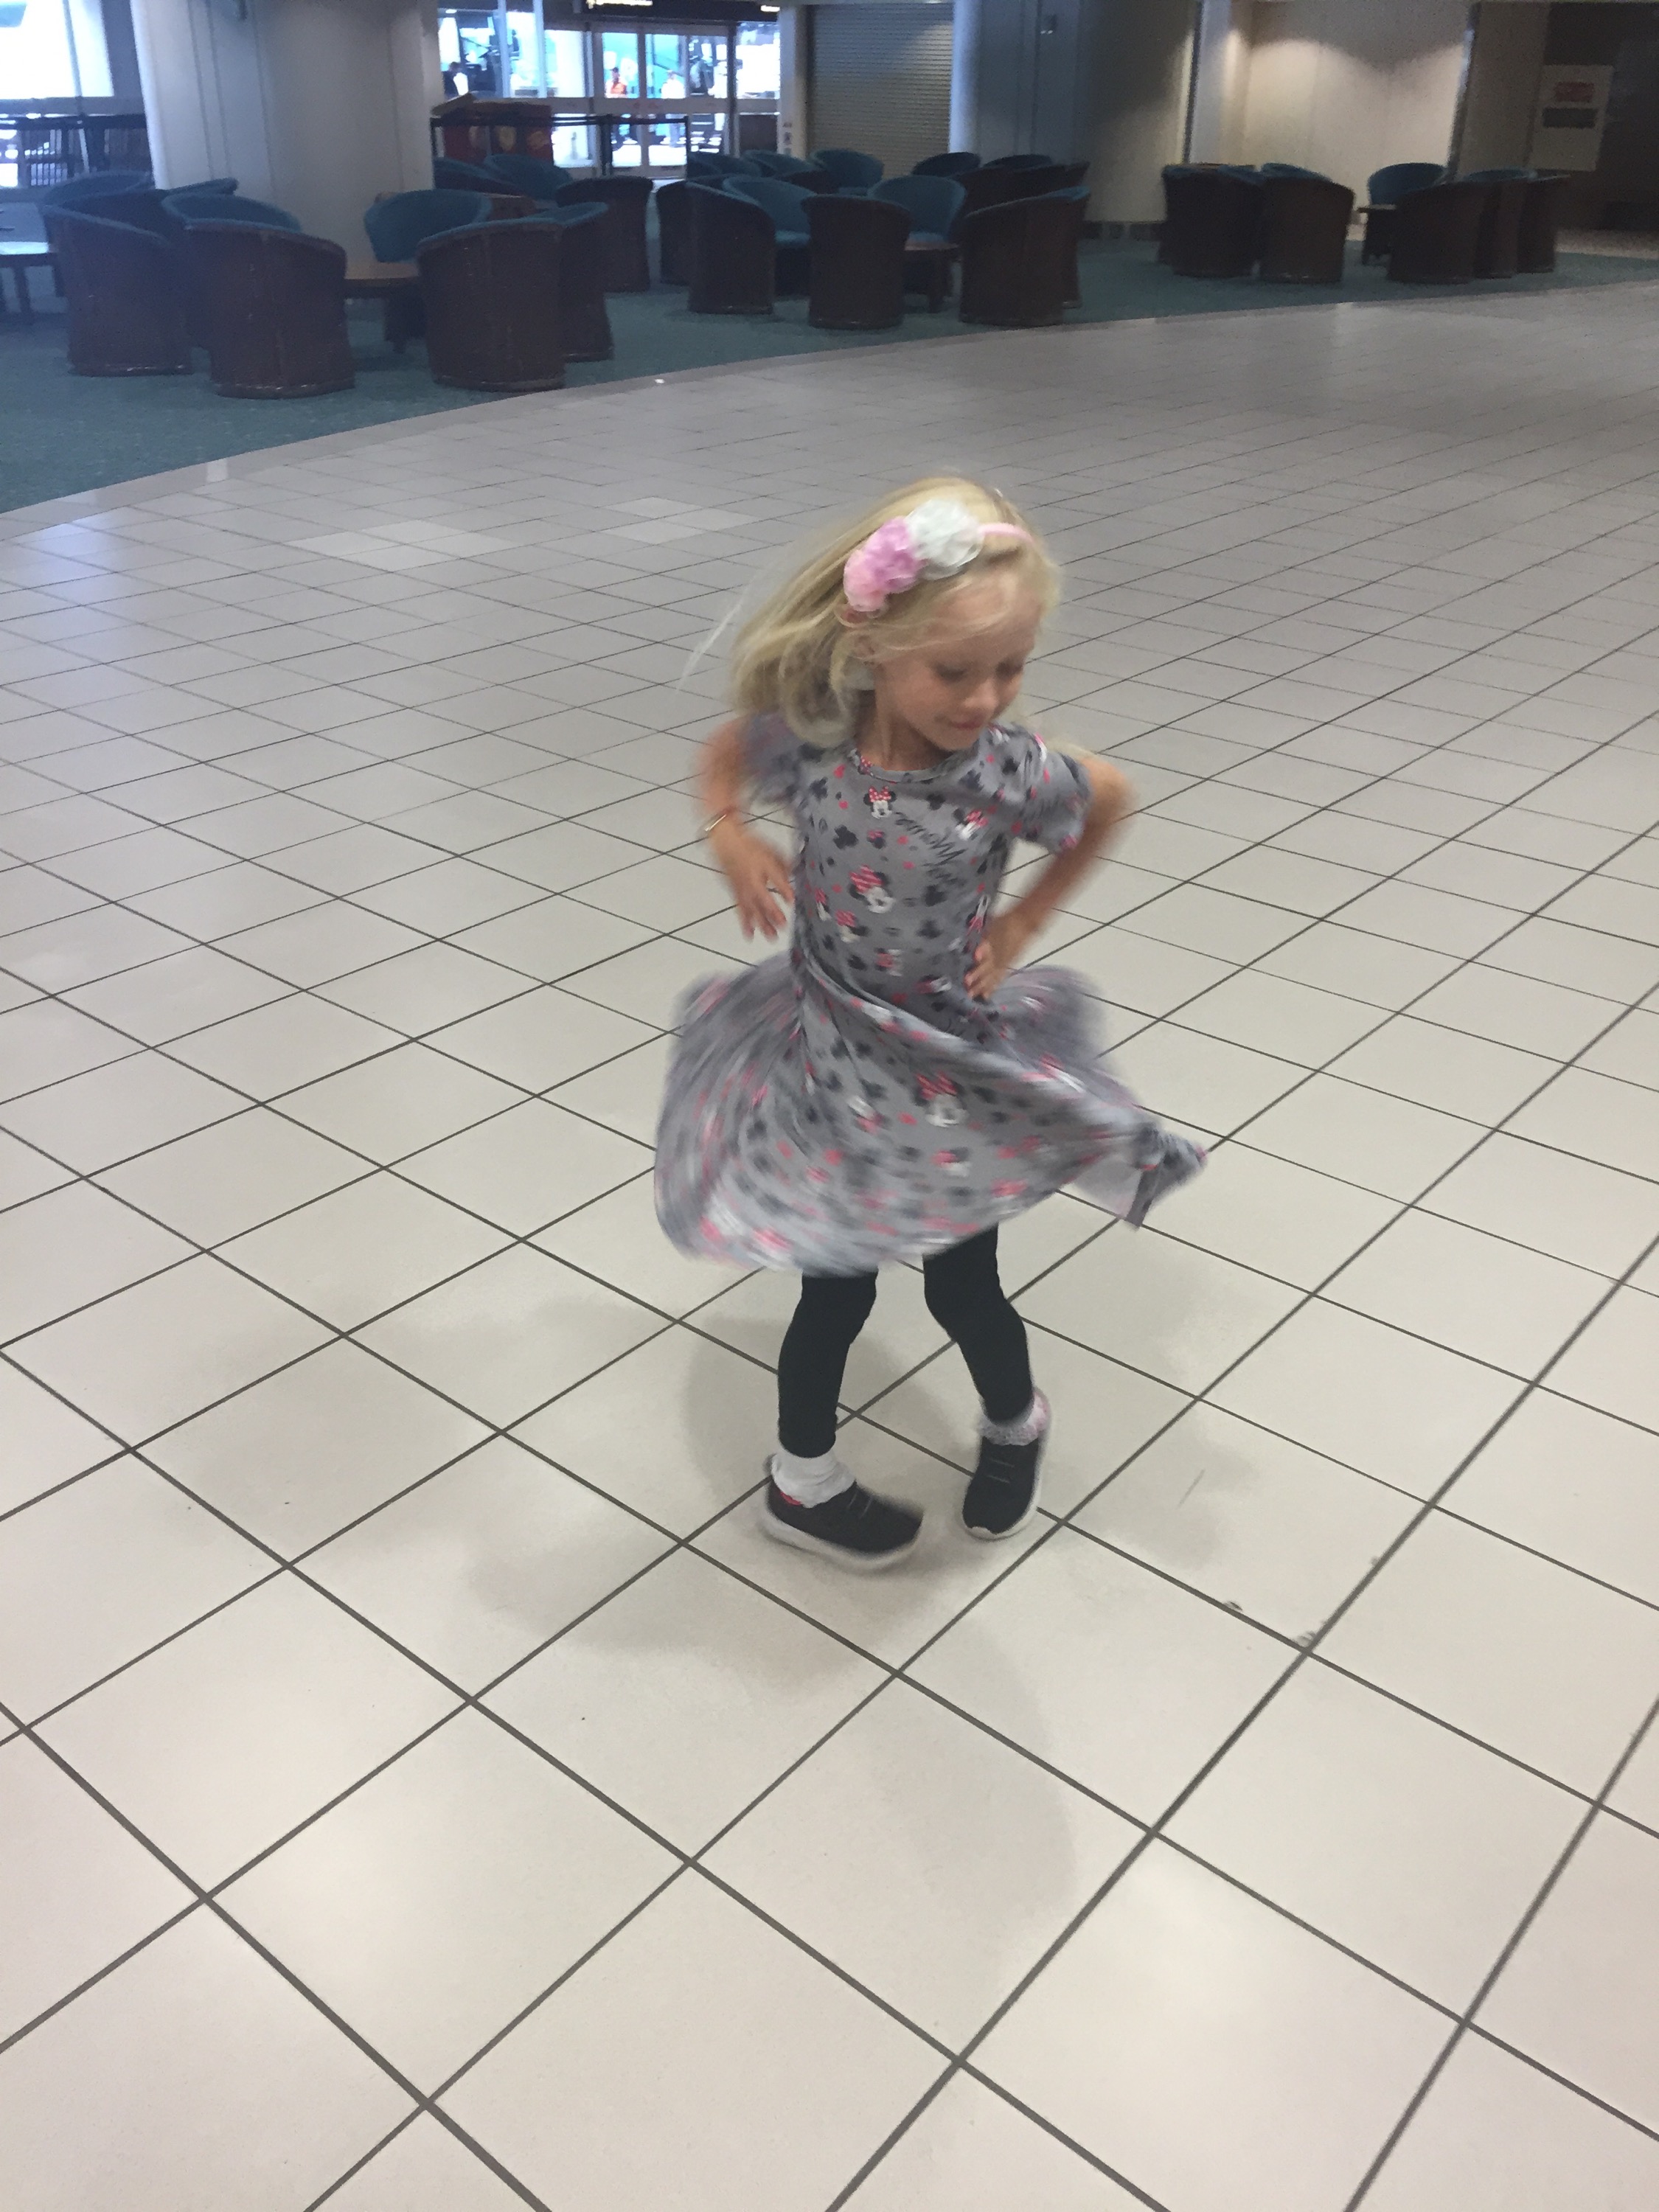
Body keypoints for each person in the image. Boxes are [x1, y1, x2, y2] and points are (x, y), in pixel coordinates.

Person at [655, 479, 1203, 1571]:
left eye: (1011, 668)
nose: (985, 698)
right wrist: (729, 833)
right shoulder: (812, 744)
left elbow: (1107, 797)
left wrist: (1027, 917)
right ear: (871, 647)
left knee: (963, 1282)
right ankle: (800, 1483)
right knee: (834, 1287)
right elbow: (725, 752)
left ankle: (1016, 1423)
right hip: (828, 1065)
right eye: (954, 672)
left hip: (941, 1073)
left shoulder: (1004, 772)